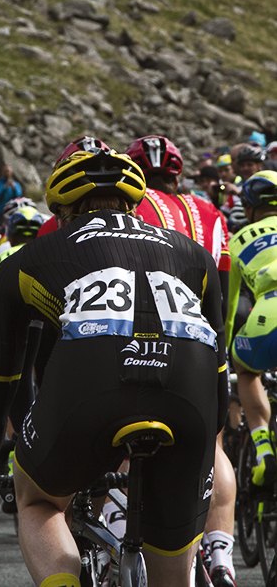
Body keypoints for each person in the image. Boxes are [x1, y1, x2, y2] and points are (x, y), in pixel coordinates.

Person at [0, 148, 227, 587]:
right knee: (173, 568)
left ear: (60, 212)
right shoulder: (194, 255)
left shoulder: (24, 261)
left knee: (37, 500)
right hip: (190, 393)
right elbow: (221, 382)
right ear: (135, 204)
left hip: (92, 380)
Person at [125, 135, 235, 587]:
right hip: (203, 340)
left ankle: (123, 538)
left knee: (125, 443)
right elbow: (223, 290)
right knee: (213, 447)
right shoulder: (210, 213)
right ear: (179, 171)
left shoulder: (131, 209)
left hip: (144, 338)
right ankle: (221, 553)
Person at [226, 171, 277, 493]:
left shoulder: (238, 239)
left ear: (249, 208)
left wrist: (227, 345)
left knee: (245, 369)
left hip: (268, 314)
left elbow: (230, 307)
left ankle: (263, 448)